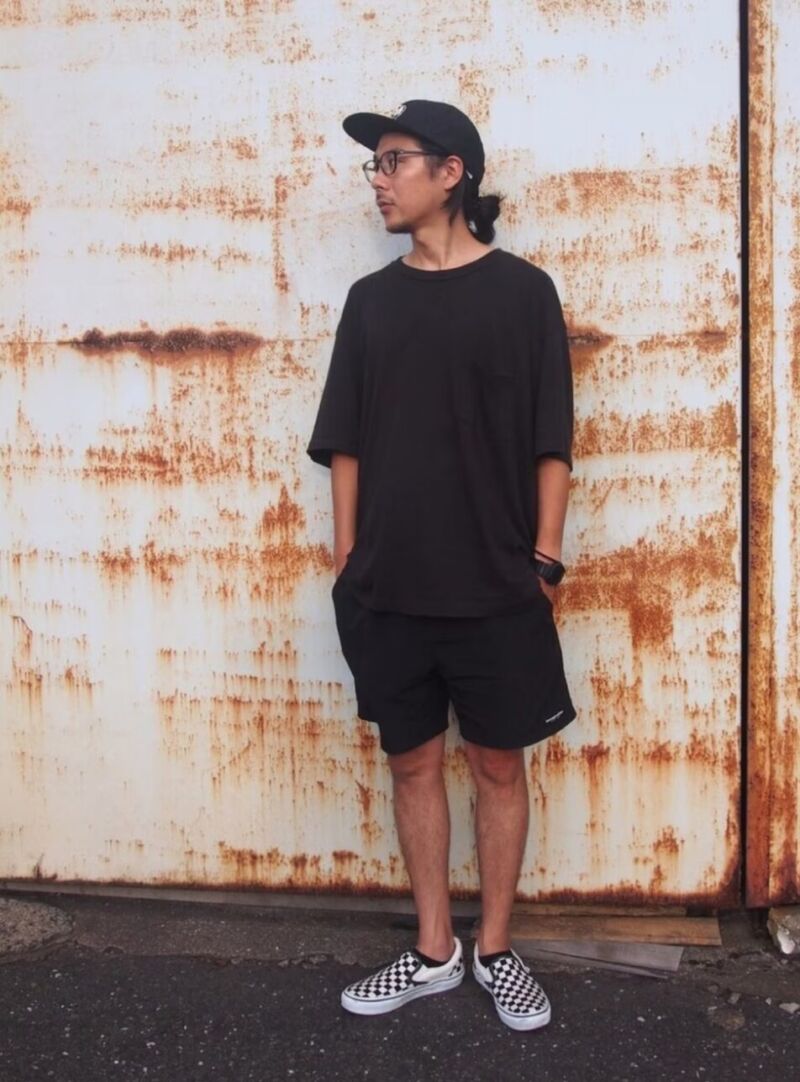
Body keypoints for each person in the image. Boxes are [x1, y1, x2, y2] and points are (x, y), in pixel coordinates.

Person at [306, 99, 575, 1032]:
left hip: (497, 585)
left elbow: (551, 439)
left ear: (451, 171)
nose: (378, 181)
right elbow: (345, 442)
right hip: (388, 587)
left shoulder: (524, 293)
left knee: (498, 766)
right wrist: (349, 560)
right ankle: (433, 951)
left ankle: (495, 948)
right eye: (374, 165)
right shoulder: (371, 302)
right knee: (412, 764)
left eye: (394, 161)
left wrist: (544, 562)